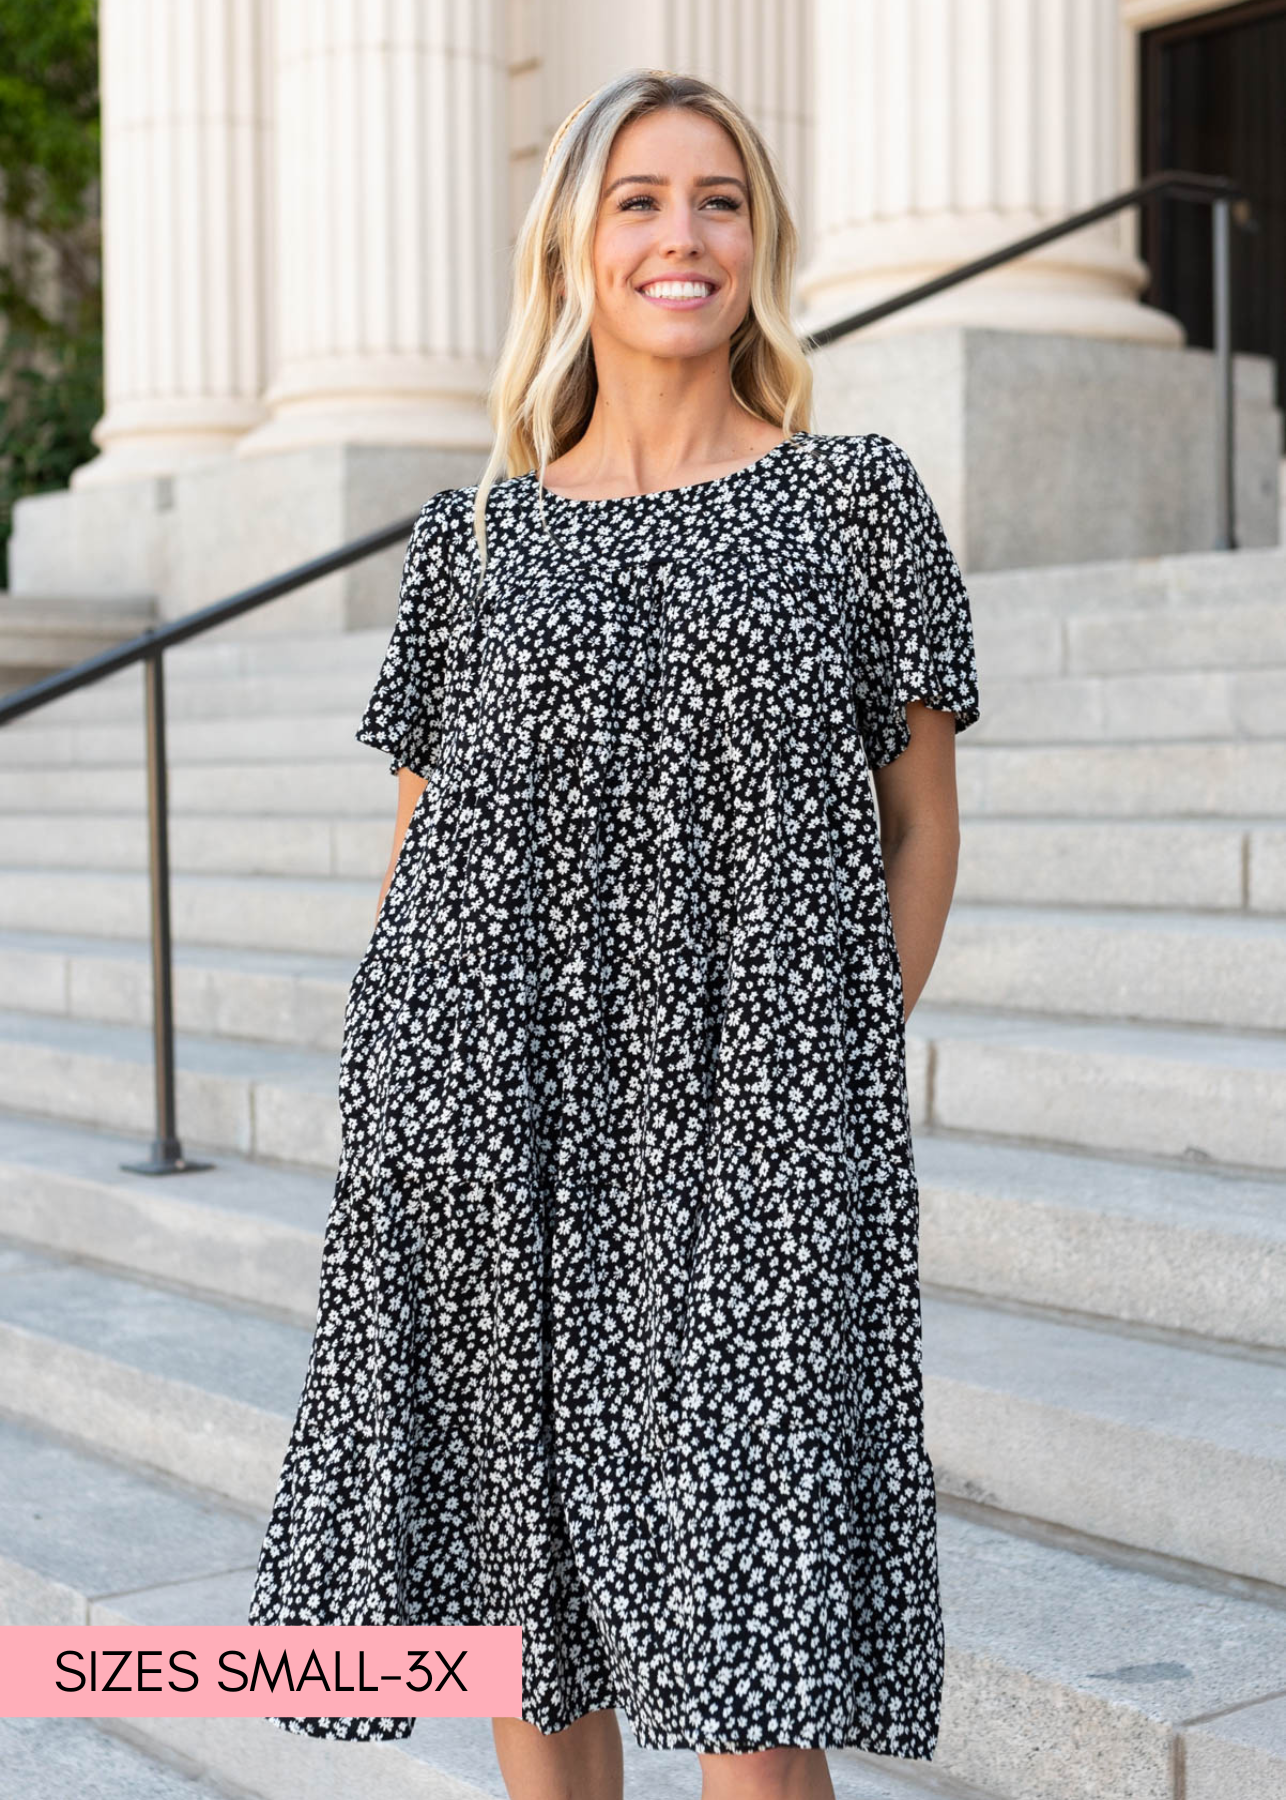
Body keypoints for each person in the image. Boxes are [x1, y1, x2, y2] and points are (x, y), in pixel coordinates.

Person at [248, 67, 981, 1800]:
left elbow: (920, 828)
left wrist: (829, 1083)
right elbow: (421, 849)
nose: (680, 234)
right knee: (526, 1591)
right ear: (574, 245)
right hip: (487, 1107)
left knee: (750, 1619)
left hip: (758, 1111)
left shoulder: (851, 501)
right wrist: (398, 1081)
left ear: (760, 240)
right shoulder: (475, 539)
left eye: (716, 199)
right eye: (638, 199)